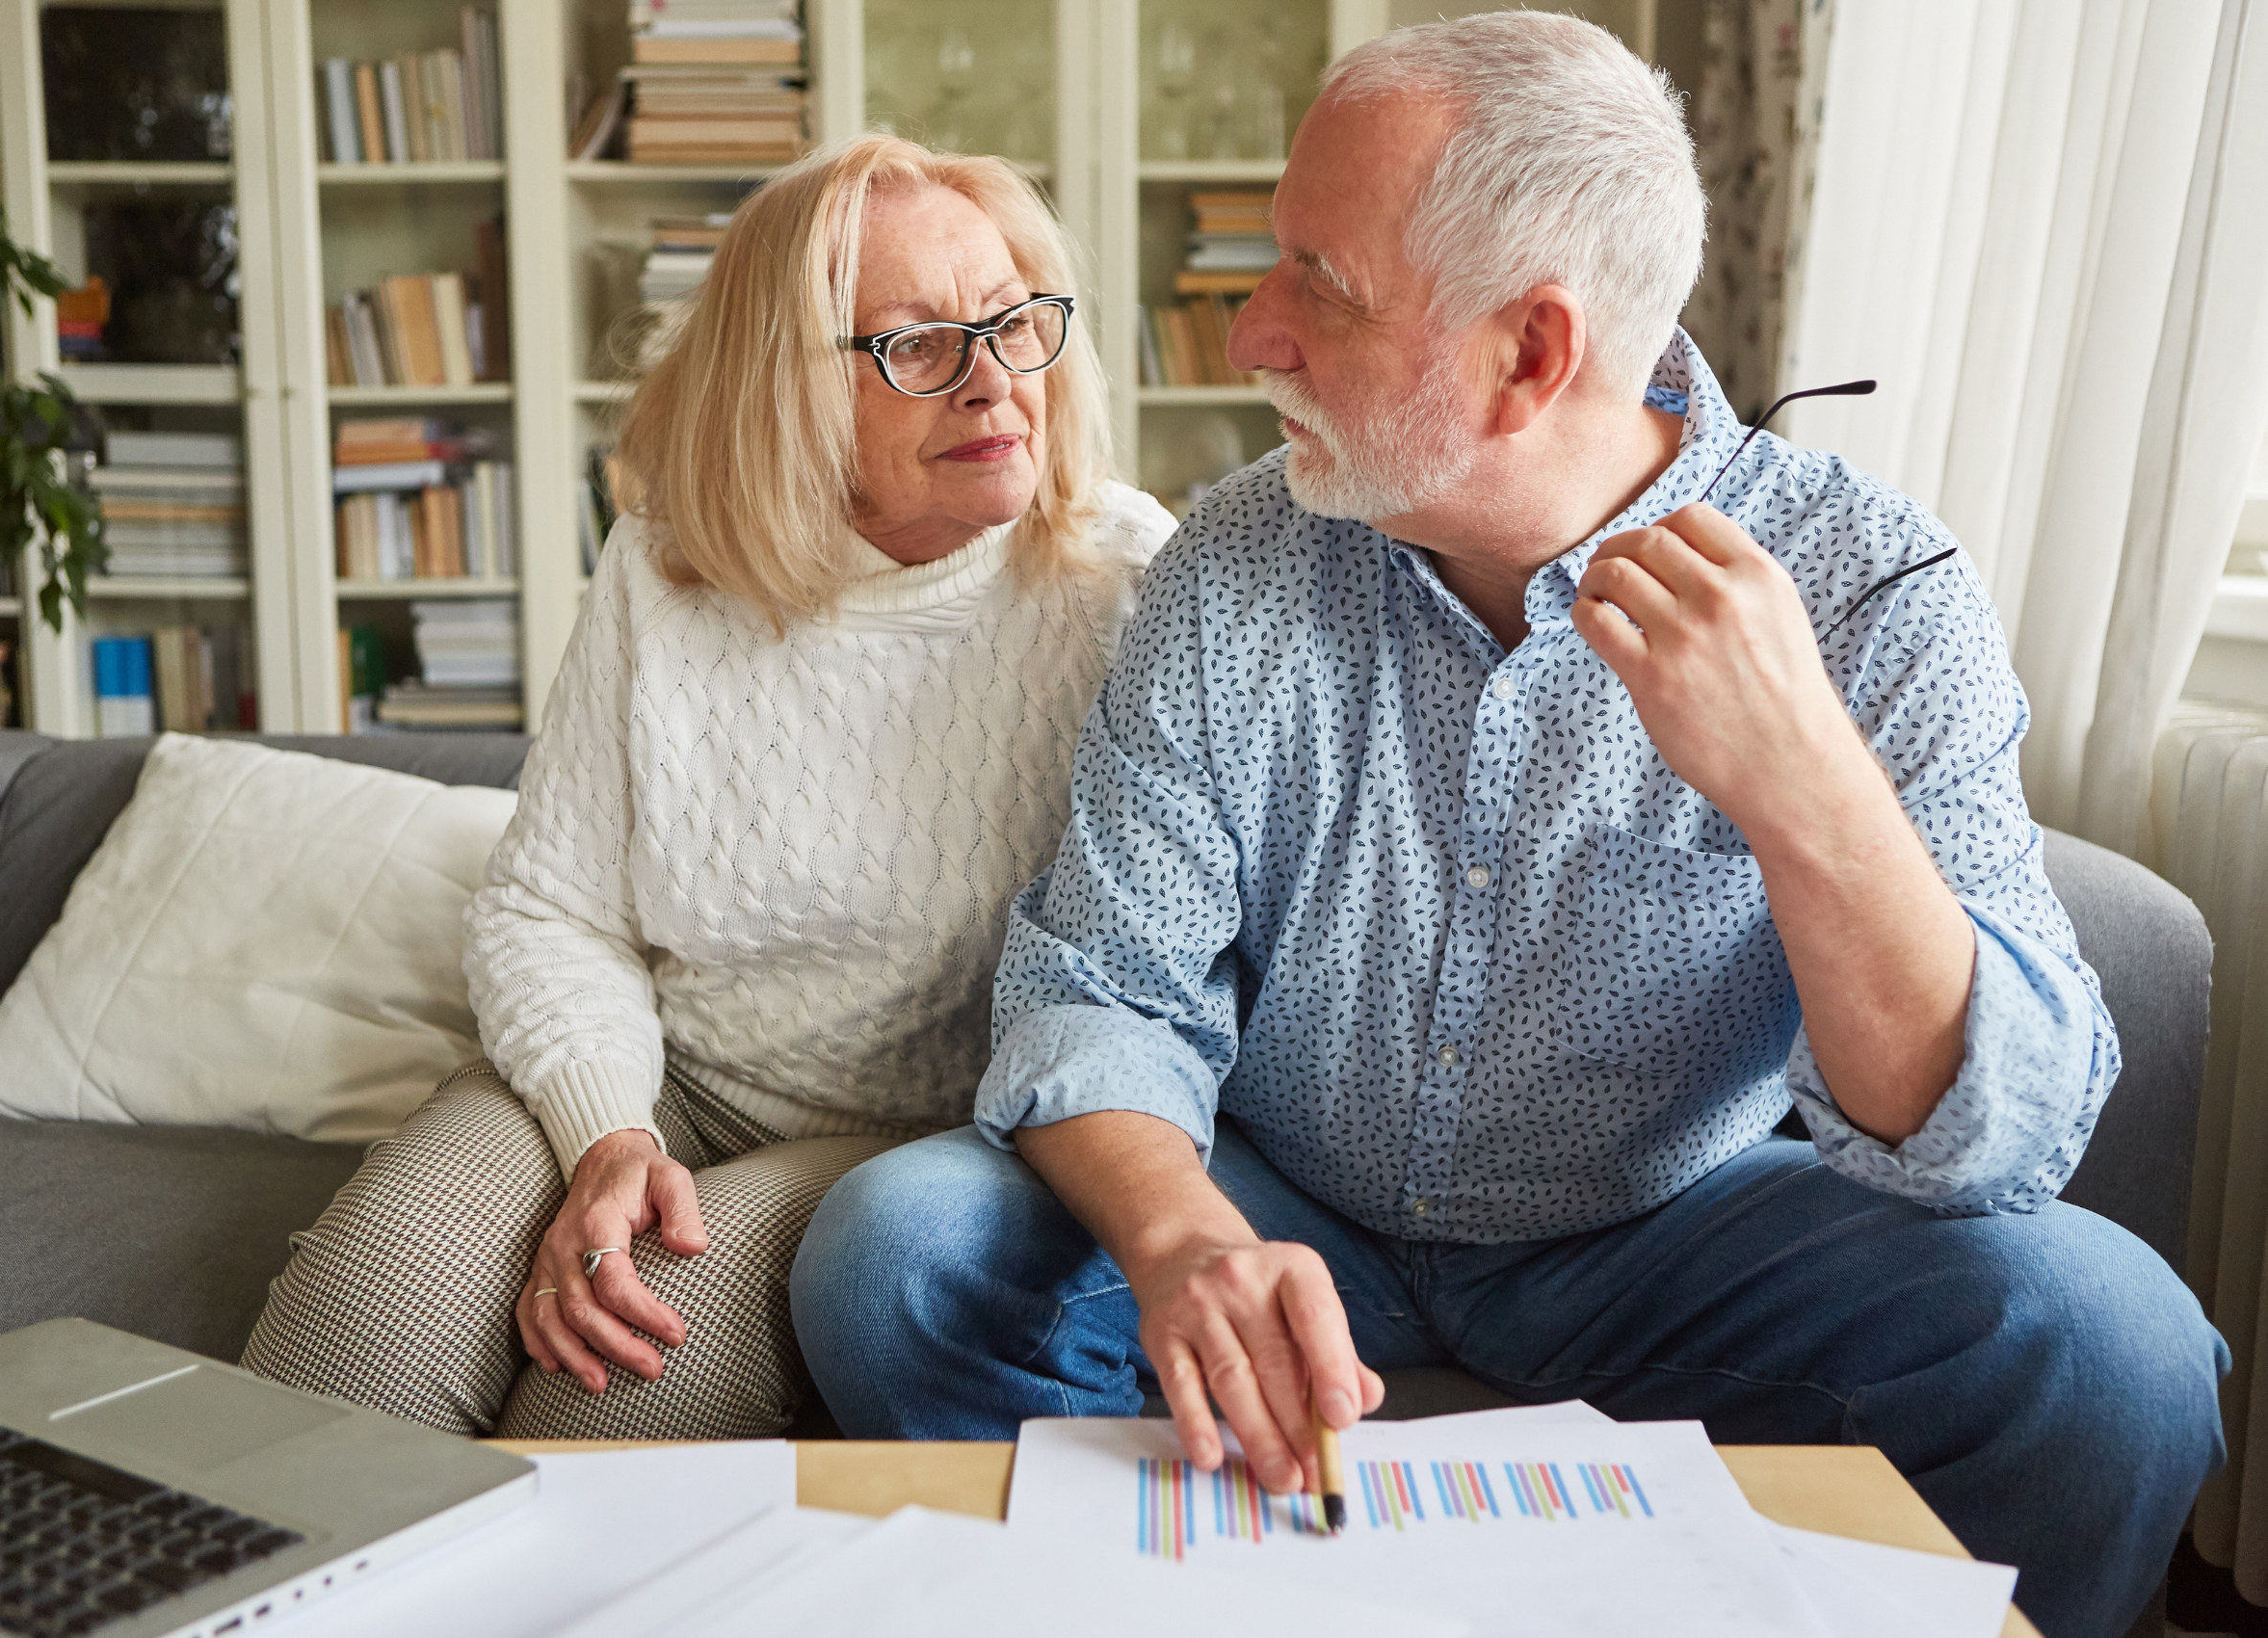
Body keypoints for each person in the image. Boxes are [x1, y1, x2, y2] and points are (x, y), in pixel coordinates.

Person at [786, 17, 2227, 1636]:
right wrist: (1184, 1235)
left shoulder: (1874, 588)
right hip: (1292, 1200)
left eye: (1317, 286)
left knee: (2115, 1353)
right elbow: (1105, 987)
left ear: (1529, 354)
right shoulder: (1232, 565)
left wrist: (1806, 789)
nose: (1249, 332)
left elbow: (1998, 1142)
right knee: (897, 1256)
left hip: (1682, 1228)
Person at [241, 133, 1174, 1441]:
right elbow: (553, 911)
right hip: (668, 1078)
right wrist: (608, 1138)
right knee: (361, 1322)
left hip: (917, 1143)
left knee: (611, 1381)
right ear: (786, 388)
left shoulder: (1128, 582)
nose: (993, 382)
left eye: (1015, 322)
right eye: (917, 344)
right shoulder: (665, 564)